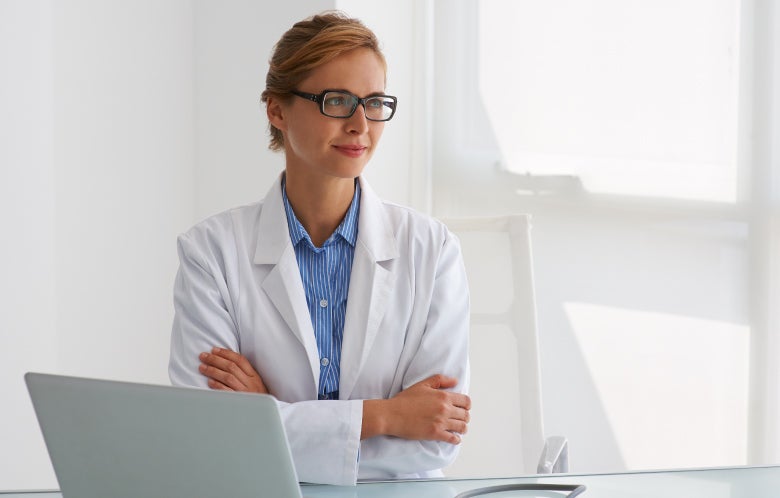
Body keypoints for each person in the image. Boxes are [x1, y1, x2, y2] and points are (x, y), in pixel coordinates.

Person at [168, 11, 471, 486]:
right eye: (337, 101)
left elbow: (432, 440)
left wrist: (268, 418)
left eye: (374, 103)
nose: (359, 124)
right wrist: (386, 416)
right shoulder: (211, 252)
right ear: (277, 111)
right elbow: (214, 435)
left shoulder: (431, 250)